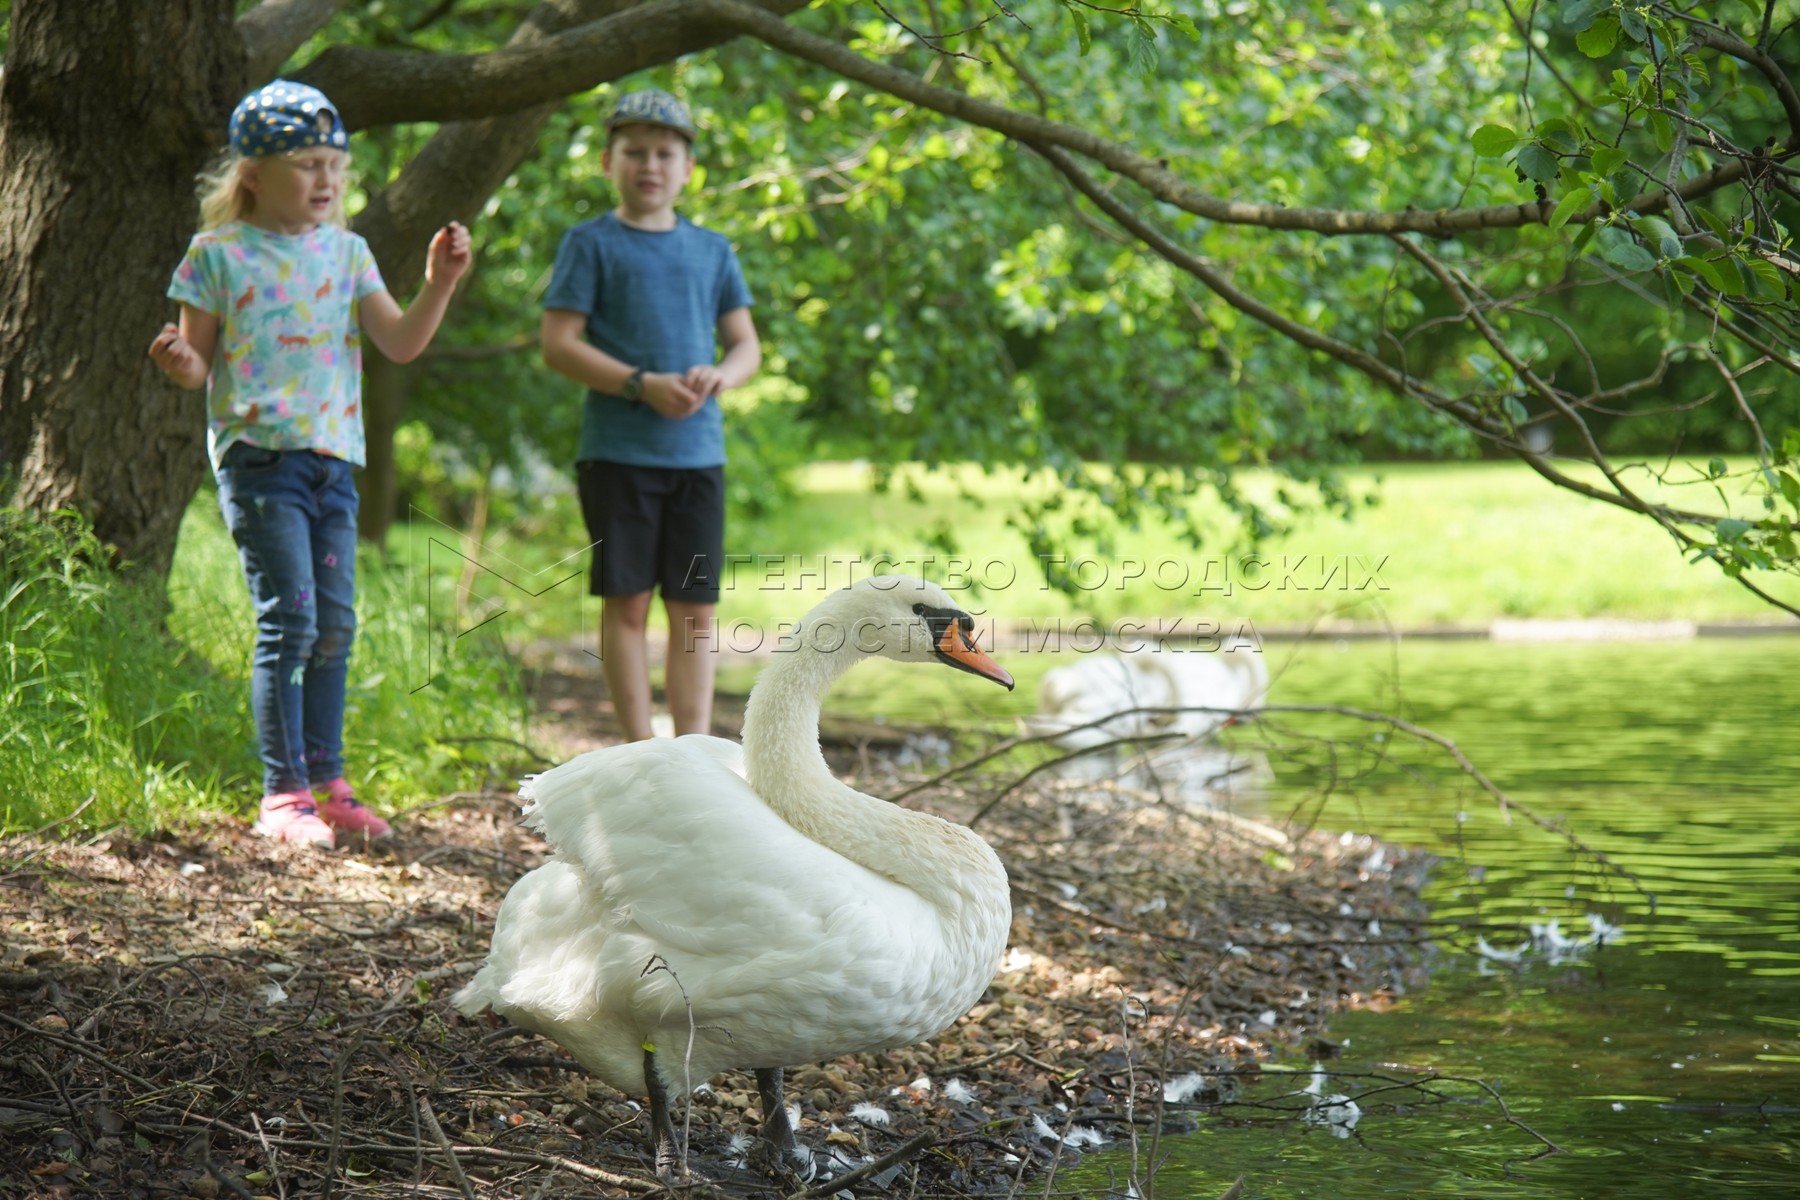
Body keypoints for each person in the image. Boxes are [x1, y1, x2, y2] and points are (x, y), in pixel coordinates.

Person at [147, 80, 471, 847]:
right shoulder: (218, 255)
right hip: (260, 463)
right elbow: (200, 364)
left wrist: (440, 284)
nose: (326, 180)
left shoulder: (349, 253)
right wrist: (181, 359)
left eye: (335, 164)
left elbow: (400, 342)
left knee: (334, 625)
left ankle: (330, 782)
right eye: (306, 164)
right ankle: (282, 794)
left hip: (332, 463)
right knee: (287, 621)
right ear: (252, 174)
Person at [540, 88, 760, 741]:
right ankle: (641, 750)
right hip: (617, 456)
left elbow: (746, 344)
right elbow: (559, 344)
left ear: (688, 167)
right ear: (608, 161)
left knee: (694, 610)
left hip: (698, 460)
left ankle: (691, 750)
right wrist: (641, 385)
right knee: (627, 602)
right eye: (634, 152)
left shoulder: (713, 250)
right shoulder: (590, 244)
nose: (650, 166)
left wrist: (721, 375)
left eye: (665, 153)